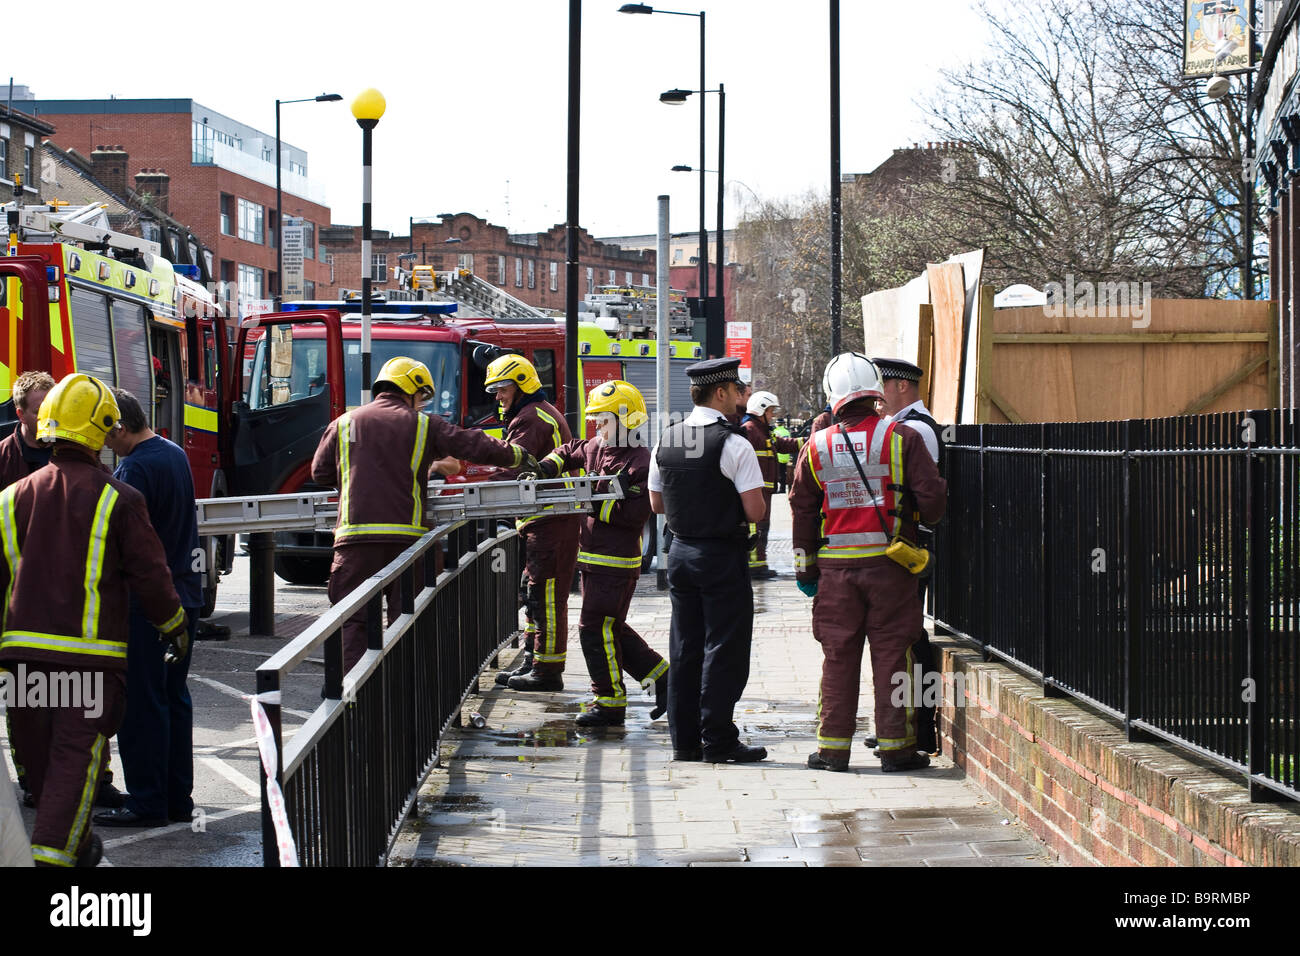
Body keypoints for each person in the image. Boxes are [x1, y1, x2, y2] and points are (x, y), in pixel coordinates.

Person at [0, 373, 189, 867]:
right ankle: (52, 863)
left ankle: (76, 850)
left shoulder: (8, 499)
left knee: (42, 772)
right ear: (102, 429)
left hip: (22, 665)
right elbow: (151, 575)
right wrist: (174, 626)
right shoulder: (118, 499)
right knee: (73, 768)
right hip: (88, 664)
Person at [311, 356, 535, 673]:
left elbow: (320, 472)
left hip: (354, 541)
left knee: (353, 621)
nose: (421, 403)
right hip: (408, 541)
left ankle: (353, 704)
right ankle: (404, 694)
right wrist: (517, 454)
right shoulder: (424, 425)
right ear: (413, 389)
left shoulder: (345, 423)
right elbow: (472, 444)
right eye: (422, 396)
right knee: (408, 622)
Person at [790, 353, 946, 773]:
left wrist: (805, 570)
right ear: (875, 390)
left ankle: (832, 751)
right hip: (891, 569)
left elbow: (802, 511)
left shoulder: (815, 446)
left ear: (833, 396)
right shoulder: (902, 438)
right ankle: (896, 750)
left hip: (835, 574)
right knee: (894, 656)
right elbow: (932, 505)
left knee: (838, 658)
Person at [1, 370, 124, 812]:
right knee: (27, 706)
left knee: (83, 711)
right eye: (38, 408)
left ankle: (98, 781)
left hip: (78, 605)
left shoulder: (88, 461)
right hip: (24, 604)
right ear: (21, 413)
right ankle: (34, 779)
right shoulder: (4, 459)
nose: (49, 415)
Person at [650, 357, 768, 763]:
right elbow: (755, 512)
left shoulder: (665, 439)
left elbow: (656, 502)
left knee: (685, 646)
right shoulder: (734, 444)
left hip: (680, 553)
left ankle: (684, 741)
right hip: (721, 556)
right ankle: (718, 739)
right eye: (737, 390)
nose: (741, 398)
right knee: (725, 648)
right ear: (720, 393)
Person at [92, 389, 201, 828]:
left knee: (141, 704)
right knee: (174, 697)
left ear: (118, 427)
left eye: (105, 434)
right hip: (185, 596)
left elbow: (129, 543)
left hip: (150, 603)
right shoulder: (173, 453)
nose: (104, 444)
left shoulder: (135, 467)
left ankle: (147, 801)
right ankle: (177, 797)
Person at [533, 380, 668, 726]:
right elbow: (568, 450)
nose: (597, 427)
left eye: (604, 420)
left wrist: (587, 501)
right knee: (611, 628)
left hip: (616, 563)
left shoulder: (640, 462)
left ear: (627, 420)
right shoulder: (596, 447)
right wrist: (547, 466)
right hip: (591, 561)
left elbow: (632, 514)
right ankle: (665, 680)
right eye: (595, 420)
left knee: (593, 629)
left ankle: (609, 703)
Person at [482, 354, 581, 693]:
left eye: (501, 388)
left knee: (546, 595)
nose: (497, 396)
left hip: (552, 520)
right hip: (544, 520)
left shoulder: (531, 419)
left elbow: (512, 467)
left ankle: (547, 670)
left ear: (521, 383)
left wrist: (478, 484)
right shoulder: (530, 414)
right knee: (533, 592)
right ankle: (533, 660)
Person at [874, 356, 943, 755]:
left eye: (881, 387)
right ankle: (901, 724)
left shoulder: (914, 429)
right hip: (907, 546)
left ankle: (918, 728)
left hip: (913, 548)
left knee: (909, 639)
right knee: (905, 636)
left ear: (901, 386)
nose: (877, 398)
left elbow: (923, 493)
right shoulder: (907, 426)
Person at [739, 391, 802, 579]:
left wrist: (808, 441)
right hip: (756, 490)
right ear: (761, 410)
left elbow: (782, 444)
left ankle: (760, 562)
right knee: (755, 527)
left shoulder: (763, 431)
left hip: (765, 490)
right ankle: (754, 565)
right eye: (771, 411)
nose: (772, 415)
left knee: (763, 527)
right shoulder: (750, 430)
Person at [0, 370, 54, 488]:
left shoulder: (72, 450)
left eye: (52, 409)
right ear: (21, 415)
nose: (49, 418)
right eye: (39, 411)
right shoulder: (3, 458)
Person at [771, 419, 794, 494]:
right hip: (785, 455)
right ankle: (783, 488)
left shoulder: (775, 431)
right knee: (783, 473)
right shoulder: (787, 431)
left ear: (777, 424)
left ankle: (777, 488)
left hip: (778, 455)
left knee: (776, 473)